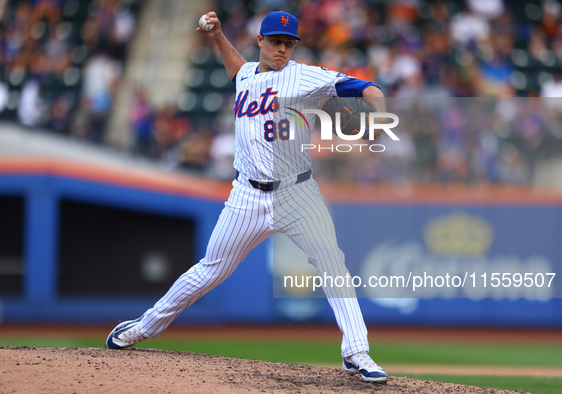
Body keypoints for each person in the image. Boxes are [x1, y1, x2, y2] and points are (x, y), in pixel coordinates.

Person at [106, 10, 388, 383]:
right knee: (210, 270)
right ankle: (144, 327)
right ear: (260, 41)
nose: (282, 49)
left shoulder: (306, 76)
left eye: (288, 43)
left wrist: (379, 121)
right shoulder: (246, 75)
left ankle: (357, 353)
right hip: (247, 196)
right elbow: (239, 71)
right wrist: (218, 35)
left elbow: (371, 90)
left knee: (332, 264)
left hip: (298, 193)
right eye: (275, 41)